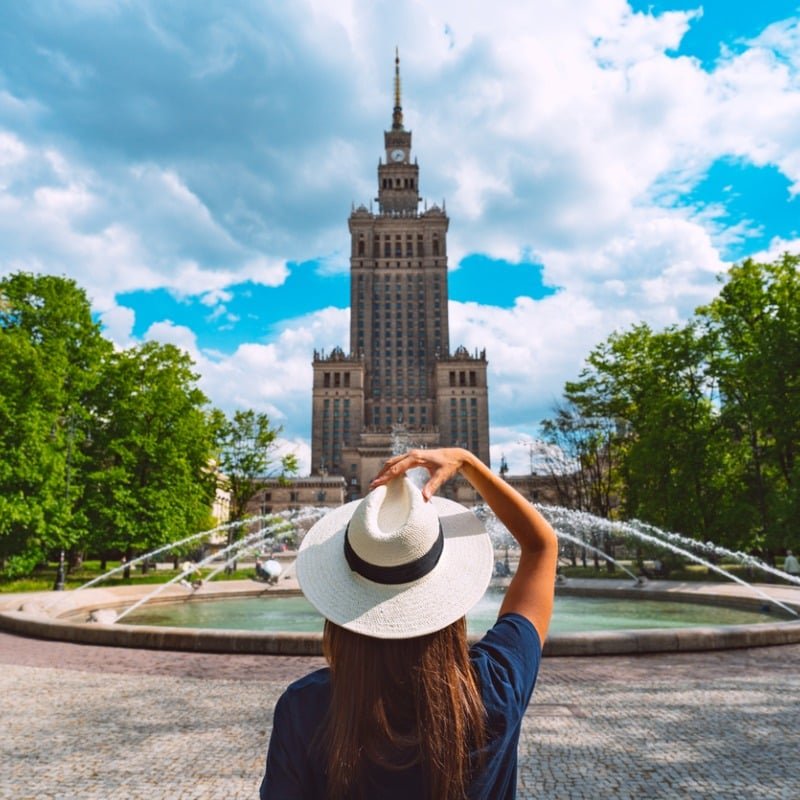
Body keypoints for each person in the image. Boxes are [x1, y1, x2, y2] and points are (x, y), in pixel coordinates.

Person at [259, 447, 558, 800]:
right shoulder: (495, 686)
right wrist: (466, 461)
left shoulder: (305, 707)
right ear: (447, 594)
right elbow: (541, 546)